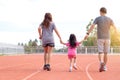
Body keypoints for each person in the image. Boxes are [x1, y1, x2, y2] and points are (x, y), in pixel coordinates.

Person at [85, 7, 117, 72]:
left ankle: (101, 62)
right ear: (106, 12)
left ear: (100, 12)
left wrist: (87, 33)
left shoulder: (97, 18)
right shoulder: (110, 19)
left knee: (100, 52)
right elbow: (115, 28)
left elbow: (92, 26)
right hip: (107, 38)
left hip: (100, 38)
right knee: (106, 53)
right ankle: (104, 66)